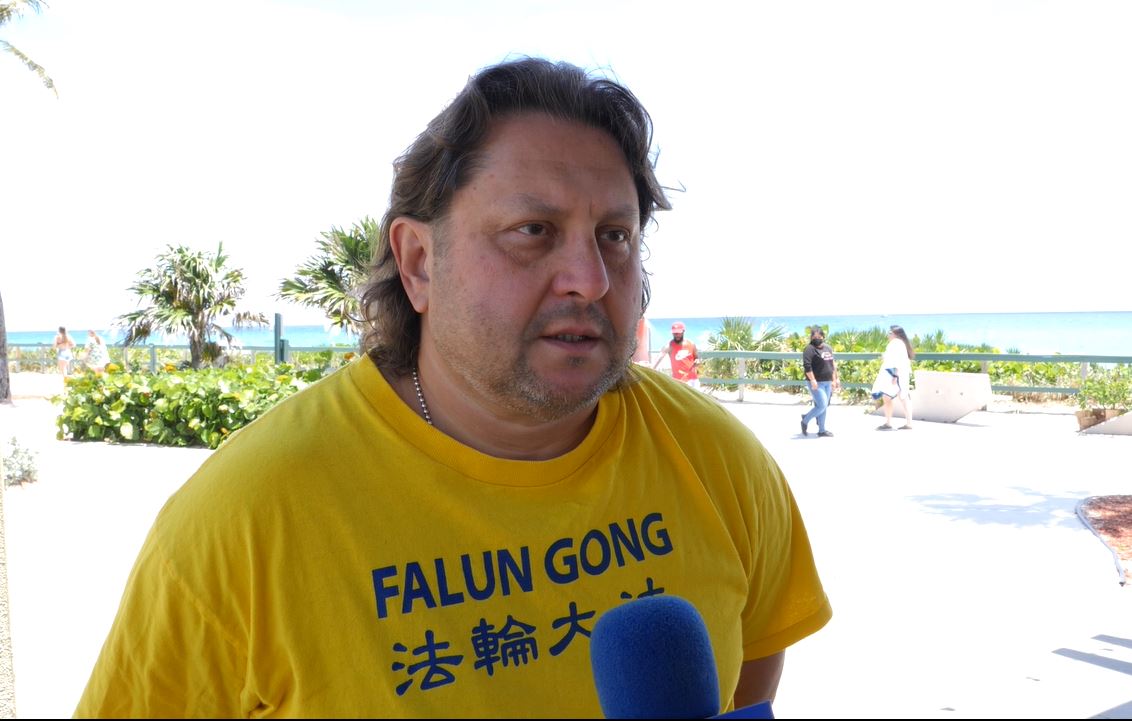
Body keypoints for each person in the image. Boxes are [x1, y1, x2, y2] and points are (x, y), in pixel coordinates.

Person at [75, 58, 831, 718]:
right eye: (533, 230)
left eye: (615, 235)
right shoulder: (242, 520)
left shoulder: (719, 459)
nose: (591, 279)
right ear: (418, 263)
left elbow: (753, 668)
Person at [871, 325, 915, 430]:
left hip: (894, 374)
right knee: (902, 397)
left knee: (890, 397)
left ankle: (889, 423)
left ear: (896, 334)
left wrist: (895, 375)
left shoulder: (896, 343)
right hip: (897, 374)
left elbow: (898, 360)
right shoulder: (901, 343)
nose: (888, 334)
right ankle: (906, 423)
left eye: (890, 333)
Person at [800, 325, 840, 438]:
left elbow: (832, 364)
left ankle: (822, 430)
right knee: (822, 405)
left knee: (824, 406)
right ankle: (805, 420)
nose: (817, 338)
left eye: (819, 336)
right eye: (814, 337)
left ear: (823, 336)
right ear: (811, 337)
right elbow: (807, 366)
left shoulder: (828, 348)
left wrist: (835, 379)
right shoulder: (809, 349)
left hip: (828, 382)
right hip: (816, 382)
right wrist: (812, 380)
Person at [652, 320, 701, 388]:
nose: (676, 335)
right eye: (674, 333)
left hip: (693, 380)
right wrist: (650, 369)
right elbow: (659, 357)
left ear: (683, 331)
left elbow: (697, 358)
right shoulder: (669, 346)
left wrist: (697, 361)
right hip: (679, 381)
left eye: (678, 332)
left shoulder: (691, 344)